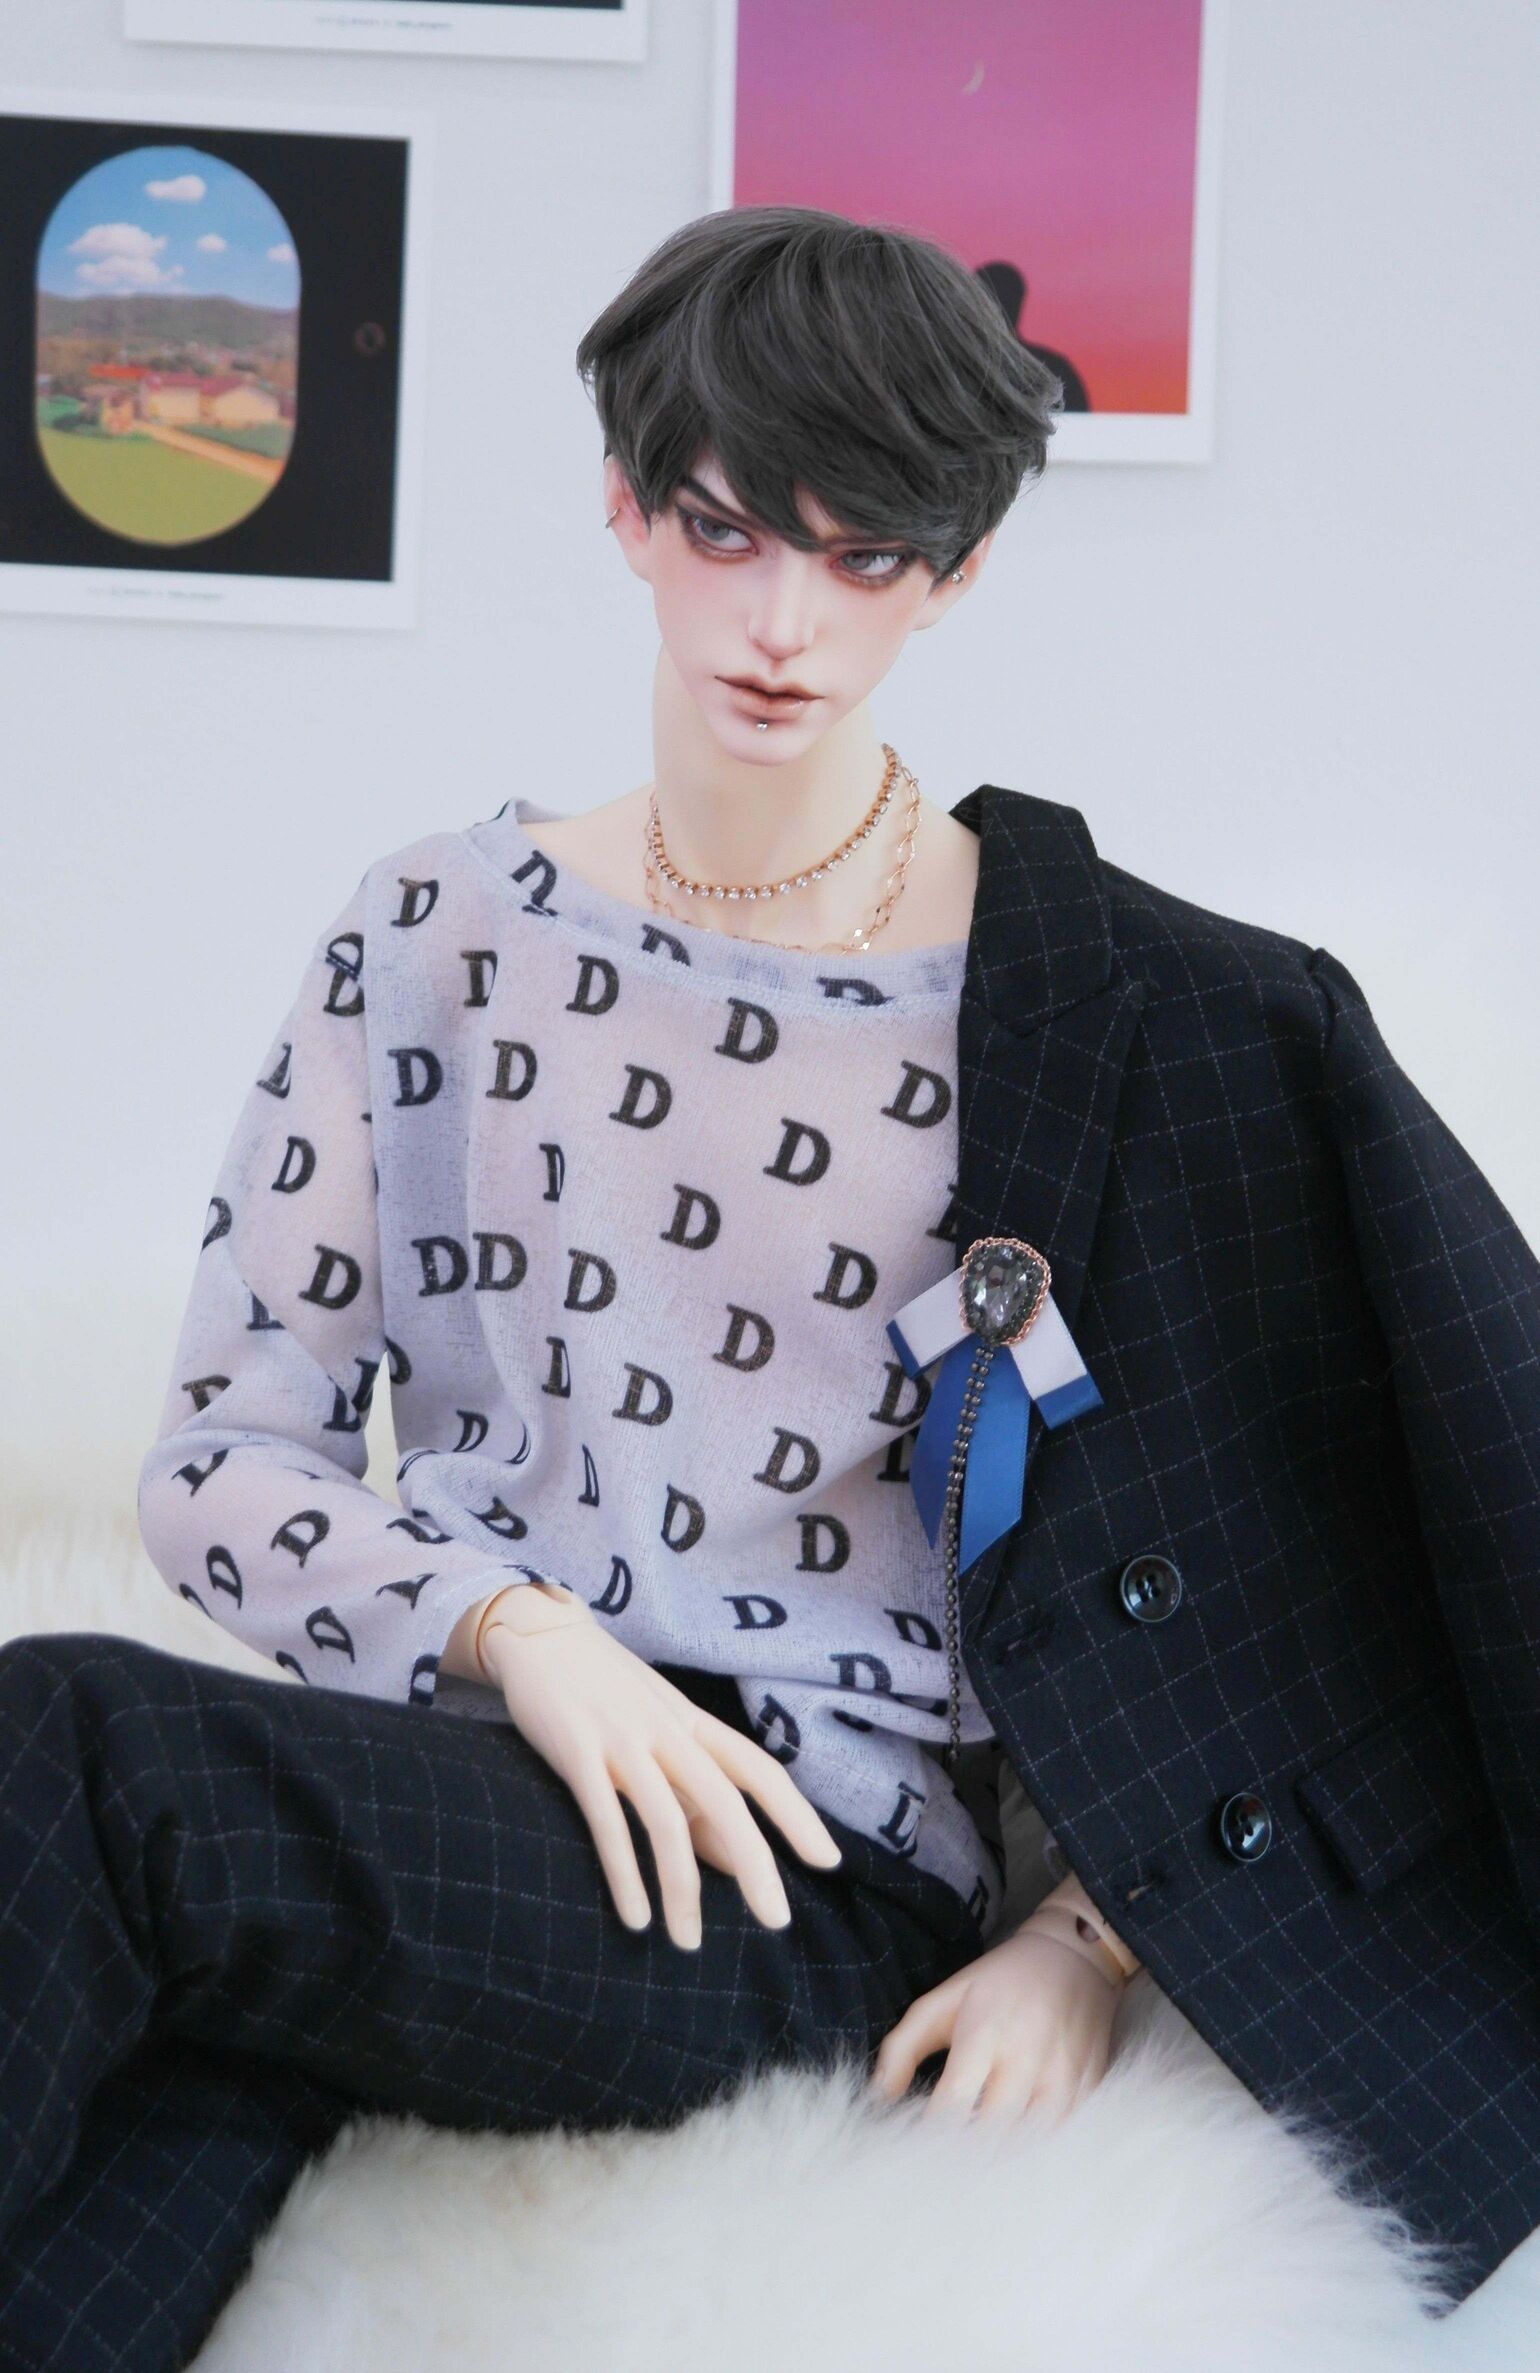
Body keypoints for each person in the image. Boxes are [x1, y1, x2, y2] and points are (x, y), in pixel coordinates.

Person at [0, 206, 1146, 2370]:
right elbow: (222, 1459)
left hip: (795, 1857)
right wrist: (513, 1628)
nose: (784, 621)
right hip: (447, 1771)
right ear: (625, 505)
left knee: (69, 1741)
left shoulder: (1060, 1004)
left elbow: (1206, 1537)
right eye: (726, 528)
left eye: (867, 554)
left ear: (960, 568)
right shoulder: (433, 930)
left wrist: (1079, 1939)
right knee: (166, 2103)